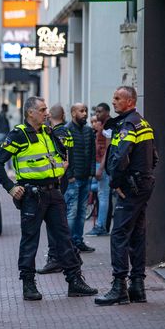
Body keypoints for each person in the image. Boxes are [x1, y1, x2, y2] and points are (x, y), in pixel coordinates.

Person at [0, 96, 98, 301]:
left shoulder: (48, 132)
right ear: (30, 112)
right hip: (33, 195)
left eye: (46, 109)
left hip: (53, 192)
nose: (46, 113)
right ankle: (28, 285)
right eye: (42, 109)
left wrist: (61, 168)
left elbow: (59, 157)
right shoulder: (19, 134)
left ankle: (74, 281)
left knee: (64, 238)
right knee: (30, 240)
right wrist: (11, 188)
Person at [95, 86, 158, 306]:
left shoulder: (128, 125)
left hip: (130, 187)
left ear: (130, 101)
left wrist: (116, 183)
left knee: (119, 234)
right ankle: (137, 286)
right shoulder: (143, 122)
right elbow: (155, 156)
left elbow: (120, 156)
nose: (113, 102)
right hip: (144, 183)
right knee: (137, 234)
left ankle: (119, 287)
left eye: (117, 98)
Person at [37, 104, 74, 274]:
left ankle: (55, 258)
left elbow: (61, 159)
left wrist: (56, 176)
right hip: (62, 180)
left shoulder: (56, 133)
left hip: (57, 181)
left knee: (55, 222)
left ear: (50, 115)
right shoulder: (66, 131)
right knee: (58, 222)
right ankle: (68, 255)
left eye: (46, 112)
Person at [64, 103, 97, 253]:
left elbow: (92, 153)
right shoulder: (67, 130)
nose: (85, 114)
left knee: (82, 212)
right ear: (73, 113)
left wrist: (91, 173)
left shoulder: (89, 131)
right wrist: (70, 176)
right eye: (81, 111)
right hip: (73, 179)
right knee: (72, 211)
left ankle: (78, 240)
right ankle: (68, 243)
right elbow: (64, 155)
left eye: (86, 111)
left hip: (86, 178)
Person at [87, 102, 112, 236]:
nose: (97, 115)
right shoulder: (101, 126)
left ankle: (101, 226)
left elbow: (108, 149)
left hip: (102, 165)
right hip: (98, 164)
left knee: (103, 196)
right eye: (96, 112)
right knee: (100, 194)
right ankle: (102, 225)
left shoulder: (107, 126)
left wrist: (101, 168)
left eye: (99, 112)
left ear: (107, 112)